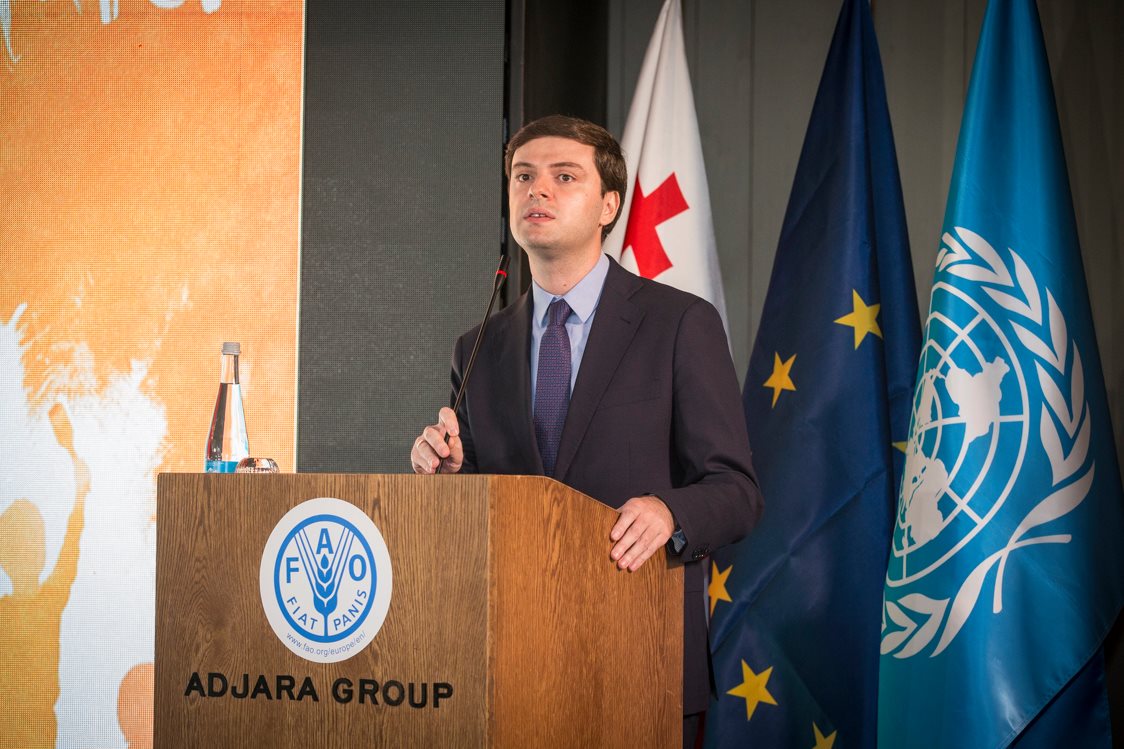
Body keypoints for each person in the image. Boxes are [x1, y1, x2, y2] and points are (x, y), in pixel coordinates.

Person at [410, 115, 762, 747]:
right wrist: (451, 471)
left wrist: (669, 512)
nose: (537, 190)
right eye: (523, 177)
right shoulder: (478, 347)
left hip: (640, 652)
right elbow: (482, 507)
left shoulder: (679, 323)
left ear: (609, 206)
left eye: (564, 177)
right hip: (507, 663)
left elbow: (736, 491)